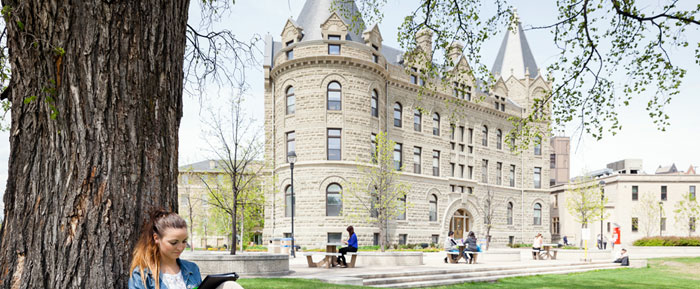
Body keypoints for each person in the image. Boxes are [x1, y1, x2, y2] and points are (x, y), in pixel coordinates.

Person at [128, 209, 202, 289]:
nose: (180, 247)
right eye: (174, 242)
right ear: (156, 238)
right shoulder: (142, 274)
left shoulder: (192, 268)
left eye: (184, 241)